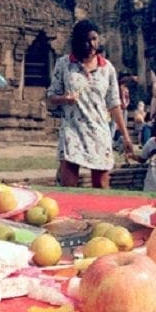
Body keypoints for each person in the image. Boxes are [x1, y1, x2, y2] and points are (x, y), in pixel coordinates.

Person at [47, 19, 133, 188]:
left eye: (94, 39)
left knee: (101, 185)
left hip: (99, 129)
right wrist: (65, 98)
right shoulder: (64, 64)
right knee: (69, 185)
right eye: (87, 40)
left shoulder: (107, 68)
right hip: (72, 129)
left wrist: (126, 136)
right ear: (78, 42)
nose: (91, 44)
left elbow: (114, 104)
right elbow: (51, 96)